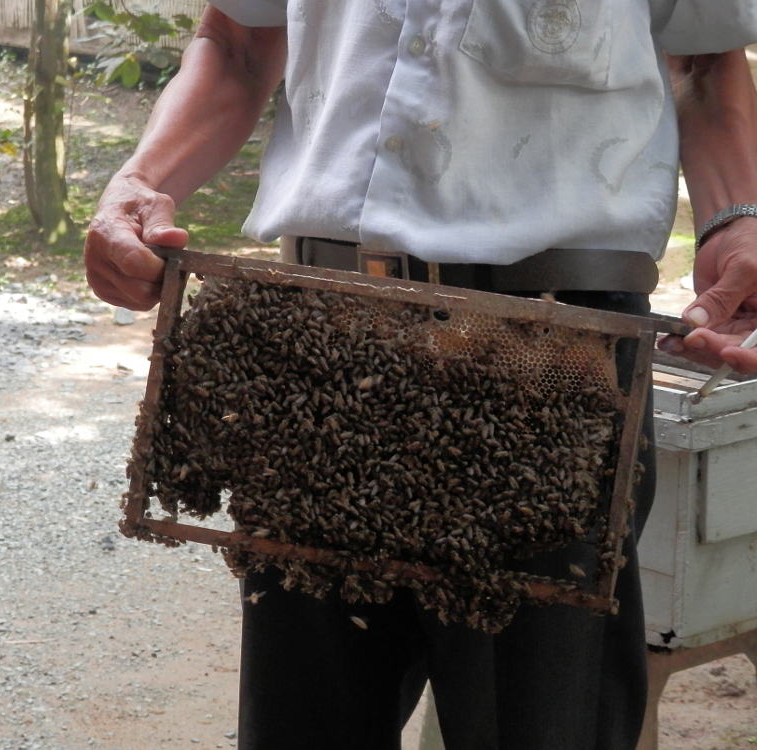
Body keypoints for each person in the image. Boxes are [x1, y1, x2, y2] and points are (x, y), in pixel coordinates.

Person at [84, 3, 757, 749]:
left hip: (547, 367)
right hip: (323, 346)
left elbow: (702, 61)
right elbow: (239, 42)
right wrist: (142, 178)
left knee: (539, 730)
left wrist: (737, 218)